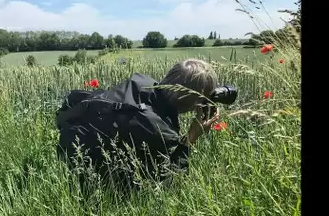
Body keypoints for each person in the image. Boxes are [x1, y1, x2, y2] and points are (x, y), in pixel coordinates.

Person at [56, 59, 222, 192]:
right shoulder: (160, 131)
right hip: (92, 180)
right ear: (195, 101)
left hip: (69, 144)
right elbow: (167, 184)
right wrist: (190, 139)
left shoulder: (141, 81)